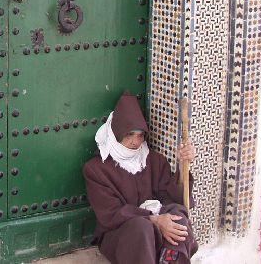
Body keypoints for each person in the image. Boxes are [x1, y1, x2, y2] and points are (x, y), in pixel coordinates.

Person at [83, 91, 198, 264]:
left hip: (159, 231)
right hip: (122, 234)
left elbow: (172, 198)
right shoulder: (96, 169)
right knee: (142, 226)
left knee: (178, 216)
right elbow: (111, 214)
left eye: (140, 135)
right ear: (116, 133)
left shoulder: (154, 160)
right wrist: (154, 219)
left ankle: (170, 260)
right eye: (129, 134)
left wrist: (183, 167)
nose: (136, 142)